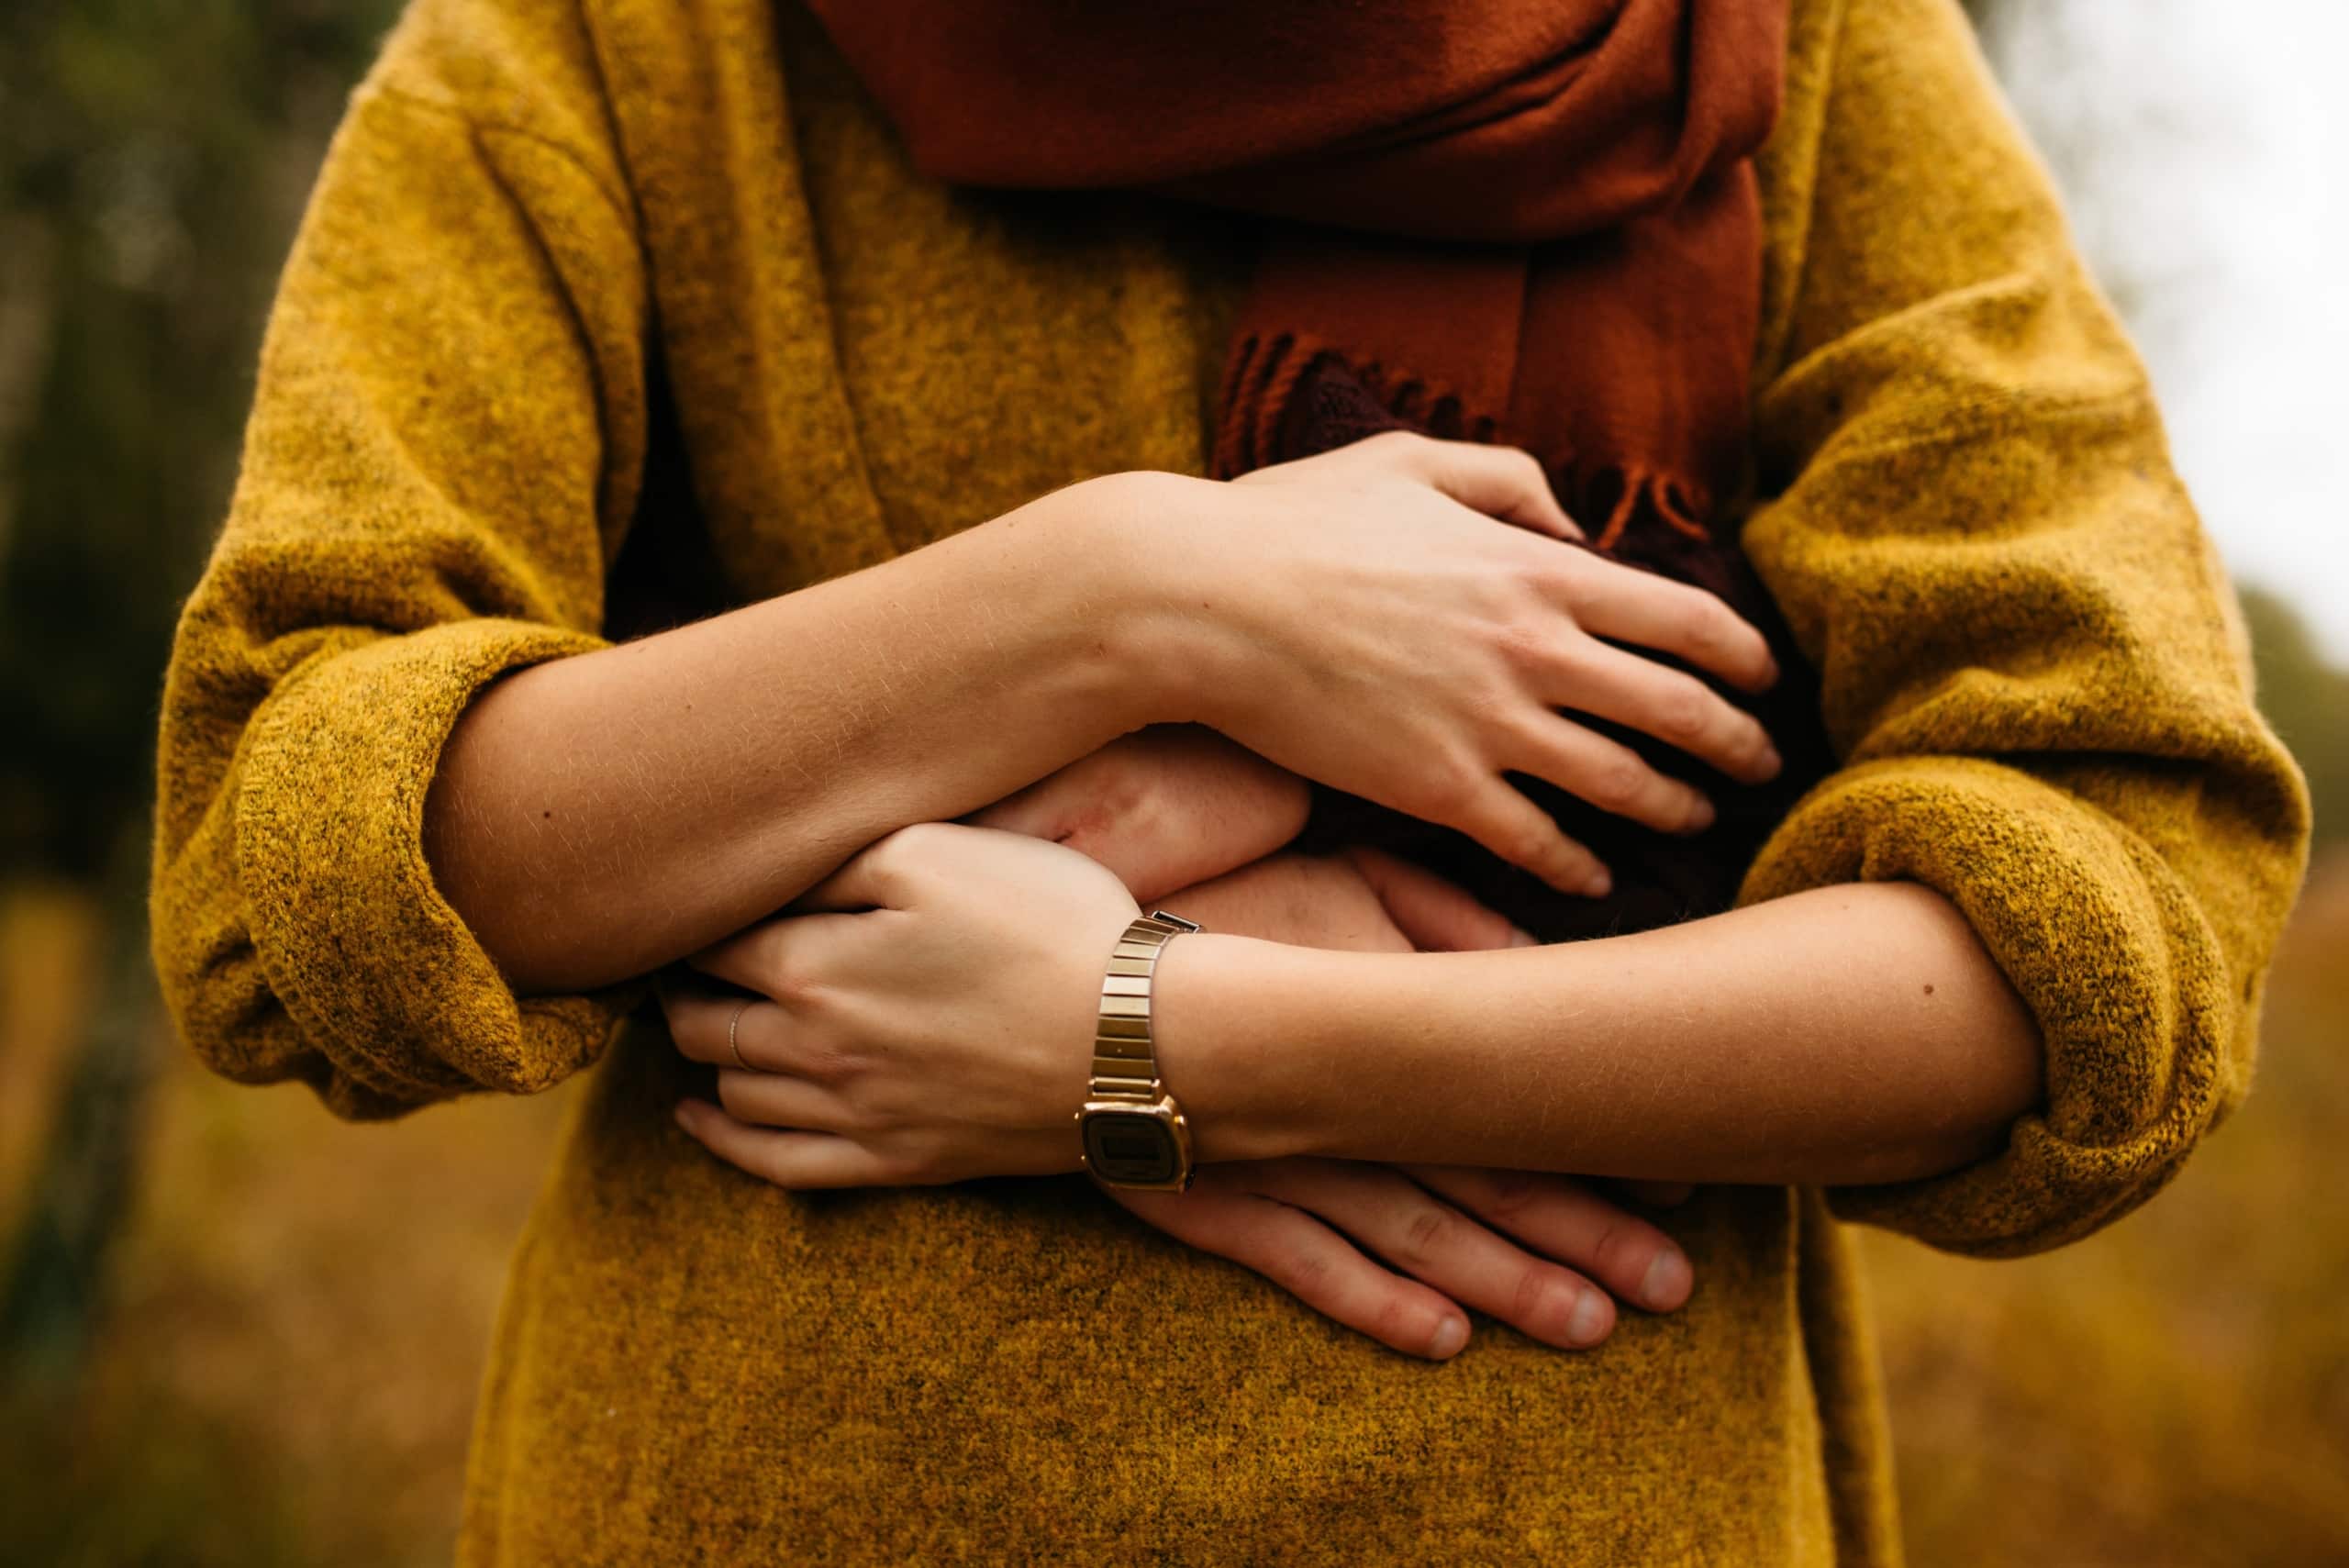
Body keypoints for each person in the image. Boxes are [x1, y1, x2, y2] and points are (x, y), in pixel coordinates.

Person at [147, 0, 2310, 1561]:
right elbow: (283, 859)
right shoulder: (613, 46)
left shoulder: (1797, 51)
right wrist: (1121, 597)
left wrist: (1167, 1040)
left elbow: (2115, 925)